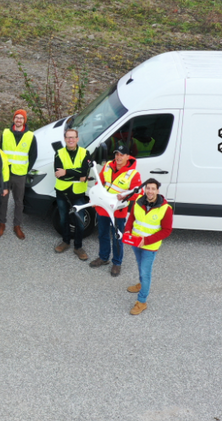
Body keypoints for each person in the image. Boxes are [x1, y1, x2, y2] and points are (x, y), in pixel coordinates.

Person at [122, 178, 174, 316]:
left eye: (153, 189)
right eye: (148, 188)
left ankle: (142, 302)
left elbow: (167, 230)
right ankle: (141, 285)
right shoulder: (138, 201)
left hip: (149, 246)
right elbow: (132, 218)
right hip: (135, 242)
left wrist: (146, 240)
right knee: (140, 266)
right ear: (145, 189)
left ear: (157, 191)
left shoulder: (165, 209)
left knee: (146, 273)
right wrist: (127, 231)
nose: (150, 191)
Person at [90, 144, 141, 276]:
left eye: (122, 155)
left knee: (117, 237)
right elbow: (99, 183)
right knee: (102, 234)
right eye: (117, 154)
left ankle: (117, 263)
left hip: (118, 211)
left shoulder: (133, 174)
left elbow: (138, 193)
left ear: (128, 157)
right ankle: (103, 257)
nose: (118, 157)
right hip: (103, 208)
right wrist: (95, 197)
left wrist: (125, 195)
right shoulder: (107, 166)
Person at [0, 109, 37, 240]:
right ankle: (2, 223)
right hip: (5, 172)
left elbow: (33, 155)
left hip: (20, 174)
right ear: (13, 119)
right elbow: (1, 153)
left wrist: (26, 171)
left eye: (21, 118)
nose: (18, 120)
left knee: (19, 201)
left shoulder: (30, 136)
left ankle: (17, 225)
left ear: (24, 120)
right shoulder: (5, 133)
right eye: (17, 117)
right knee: (3, 199)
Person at [53, 128, 92, 260]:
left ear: (77, 139)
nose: (70, 140)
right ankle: (65, 241)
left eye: (73, 137)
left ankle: (78, 246)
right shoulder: (59, 153)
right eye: (68, 137)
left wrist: (67, 172)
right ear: (65, 139)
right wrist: (77, 175)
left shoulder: (85, 153)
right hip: (62, 192)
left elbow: (85, 172)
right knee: (63, 219)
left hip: (78, 193)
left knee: (80, 222)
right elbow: (59, 175)